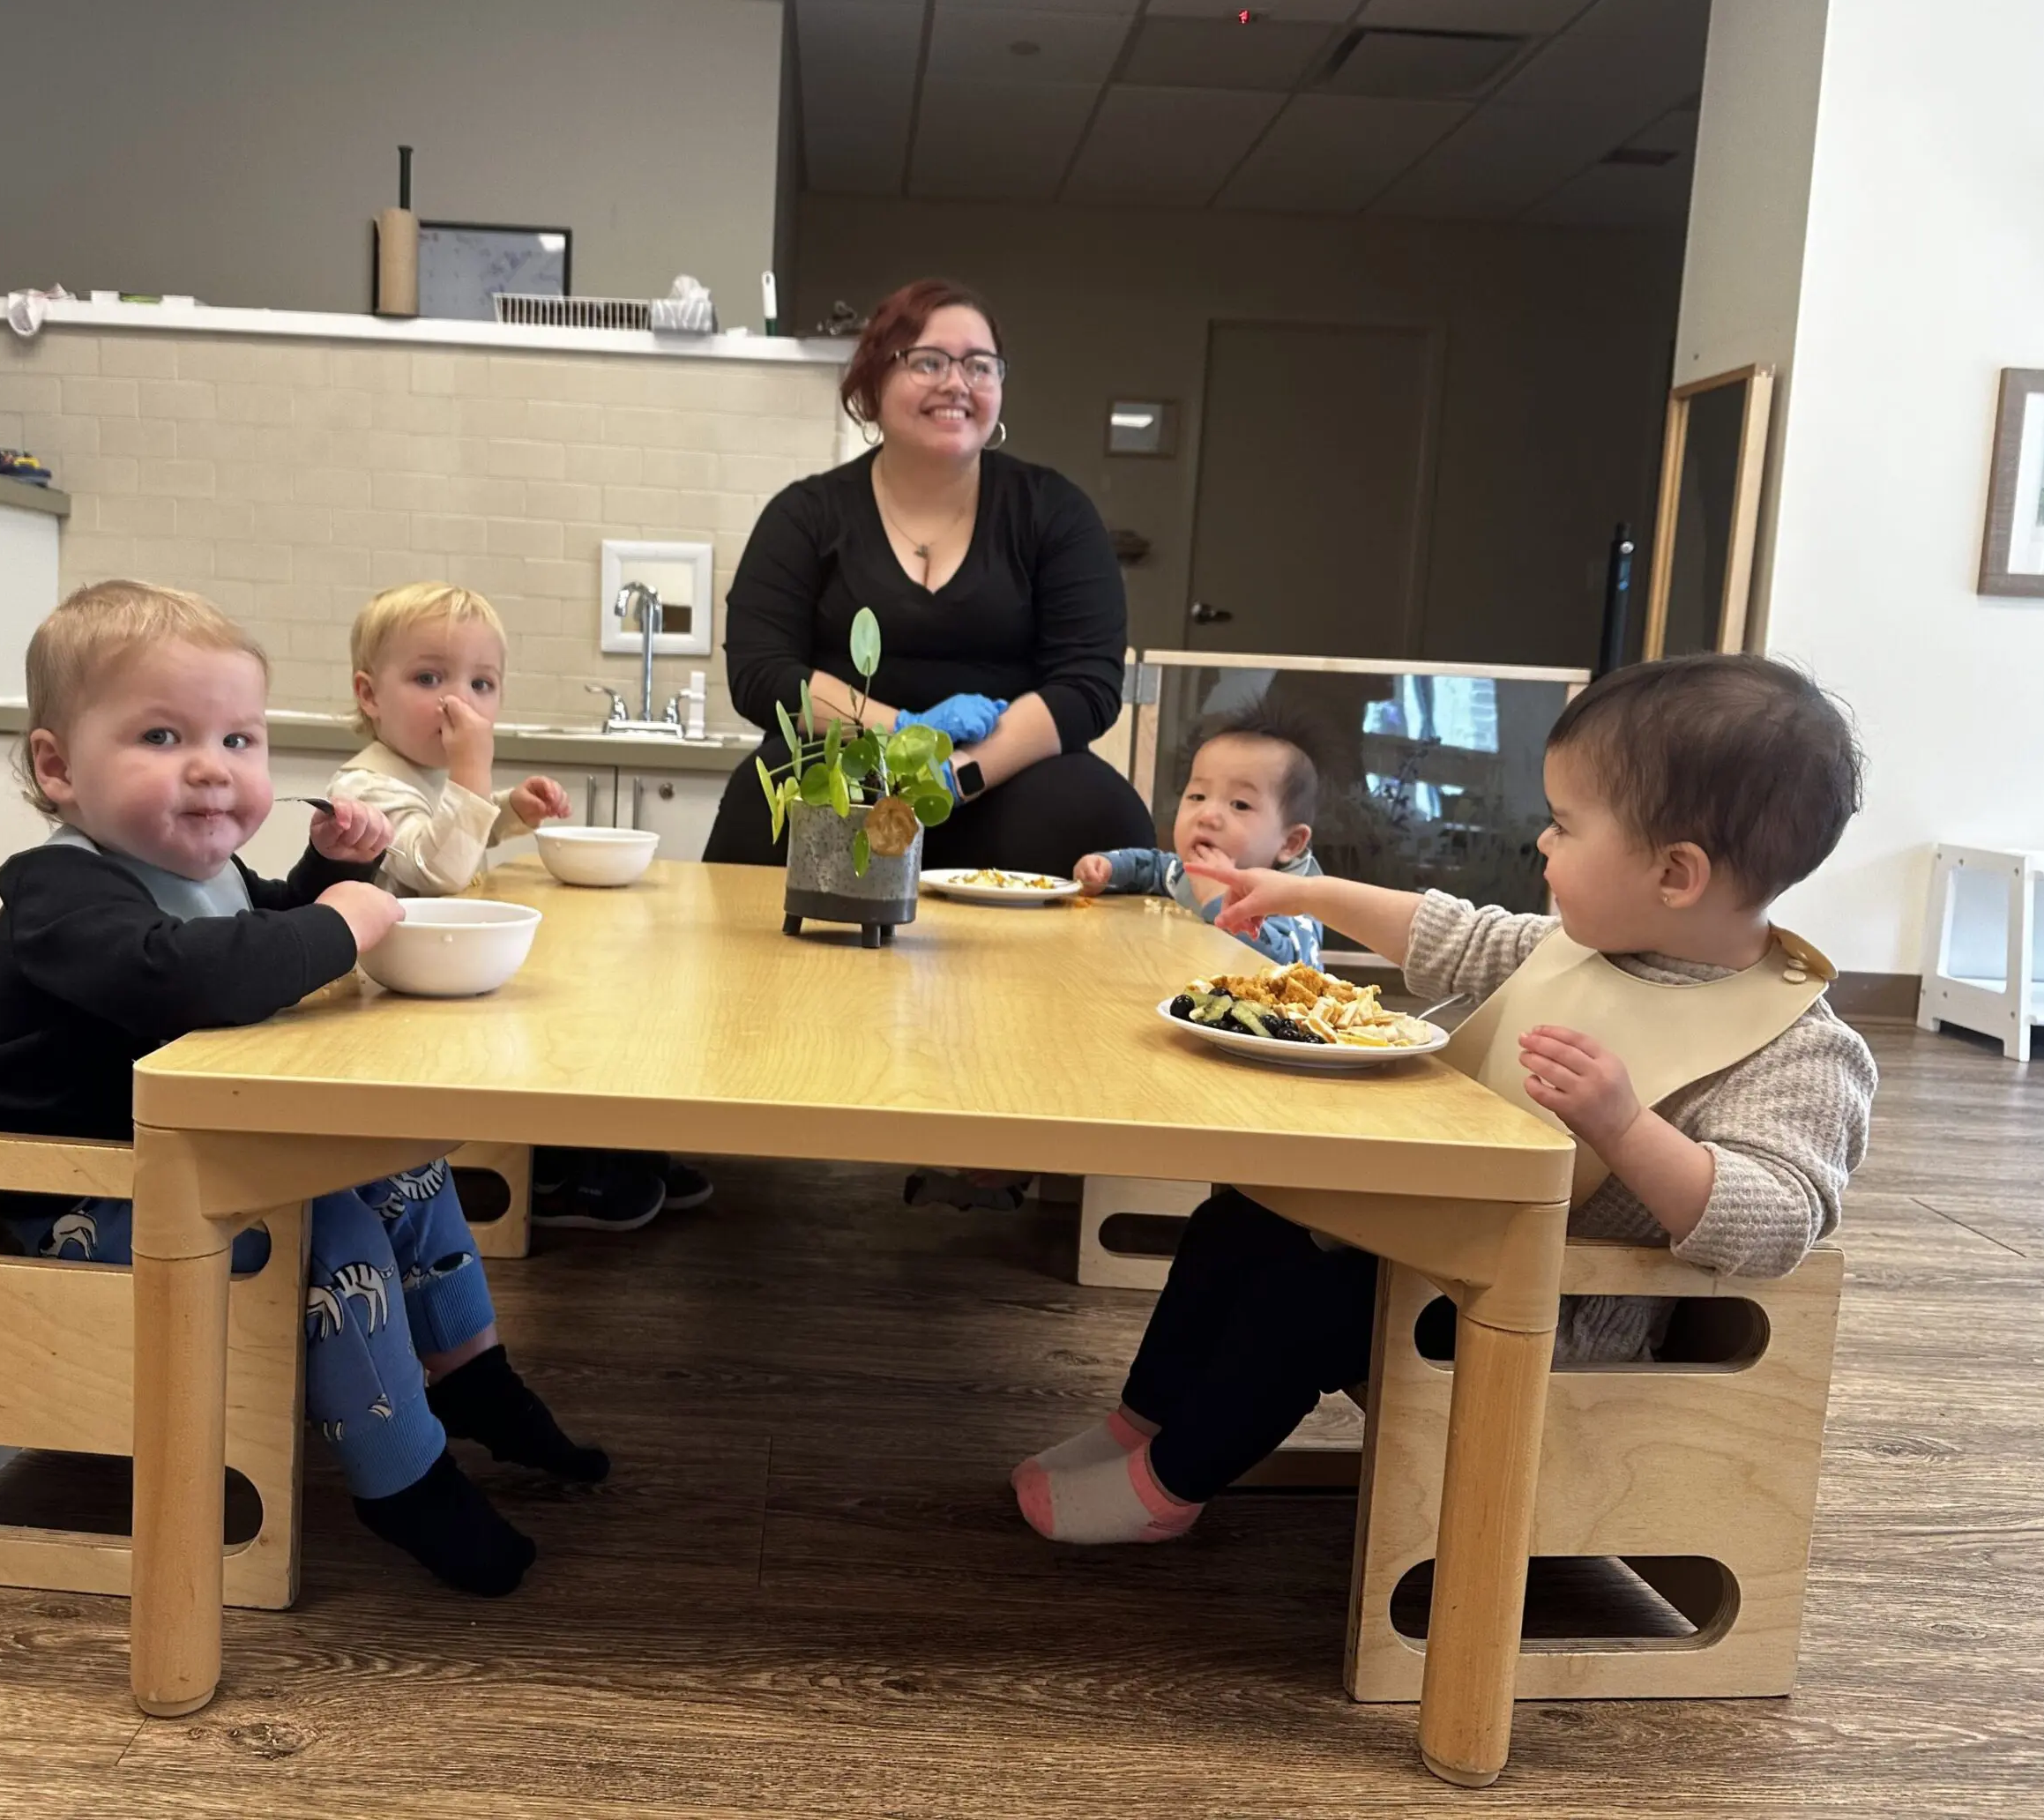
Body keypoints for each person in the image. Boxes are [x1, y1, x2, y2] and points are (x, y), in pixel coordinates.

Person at [1014, 653, 1877, 1546]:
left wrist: (1625, 1127)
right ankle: (1143, 1421)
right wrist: (1303, 893)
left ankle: (1168, 1487)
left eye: (1565, 827)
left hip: (1562, 1320)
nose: (1543, 844)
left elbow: (1782, 1220)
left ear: (1676, 875)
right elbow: (1449, 936)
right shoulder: (1583, 944)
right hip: (1451, 1254)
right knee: (1242, 1220)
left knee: (1307, 1296)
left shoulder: (1799, 1051)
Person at [0, 579, 605, 1599]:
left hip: (169, 1159)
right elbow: (198, 973)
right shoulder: (60, 891)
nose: (214, 770)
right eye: (163, 737)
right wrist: (345, 917)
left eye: (241, 741)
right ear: (57, 768)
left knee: (404, 1169)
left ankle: (471, 1377)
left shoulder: (194, 869)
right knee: (327, 1228)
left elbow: (254, 926)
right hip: (73, 1197)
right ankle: (403, 1482)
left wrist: (313, 873)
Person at [704, 277, 1155, 876]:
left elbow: (1087, 683)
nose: (956, 382)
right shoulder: (805, 515)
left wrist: (954, 774)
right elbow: (761, 672)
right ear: (873, 381)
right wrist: (906, 738)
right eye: (929, 361)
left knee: (1096, 811)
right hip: (845, 767)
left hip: (1006, 774)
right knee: (766, 798)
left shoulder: (1053, 511)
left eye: (980, 365)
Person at [328, 580, 713, 1234]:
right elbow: (439, 869)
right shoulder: (365, 785)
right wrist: (474, 770)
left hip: (439, 978)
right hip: (392, 1002)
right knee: (551, 1026)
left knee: (572, 1004)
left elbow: (453, 830)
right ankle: (557, 1168)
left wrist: (507, 811)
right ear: (370, 695)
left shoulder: (418, 773)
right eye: (429, 677)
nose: (459, 702)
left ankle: (583, 1145)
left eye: (482, 684)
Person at [1073, 705, 1326, 968]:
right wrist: (1107, 868)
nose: (1207, 816)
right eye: (1197, 796)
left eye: (1240, 804)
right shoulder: (1185, 873)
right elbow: (1151, 867)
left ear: (1290, 843)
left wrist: (1221, 900)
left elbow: (1286, 963)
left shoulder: (1297, 898)